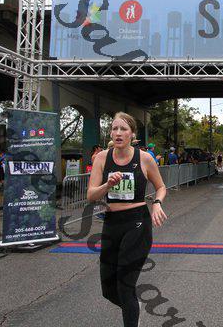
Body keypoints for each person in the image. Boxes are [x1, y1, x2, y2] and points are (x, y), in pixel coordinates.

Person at [87, 112, 168, 327]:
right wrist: (107, 185)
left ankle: (131, 315)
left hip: (137, 222)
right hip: (112, 223)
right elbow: (91, 195)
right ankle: (133, 307)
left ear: (132, 134)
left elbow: (161, 187)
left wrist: (157, 203)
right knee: (108, 290)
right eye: (114, 128)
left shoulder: (144, 158)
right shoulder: (102, 158)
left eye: (123, 129)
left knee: (125, 285)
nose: (118, 133)